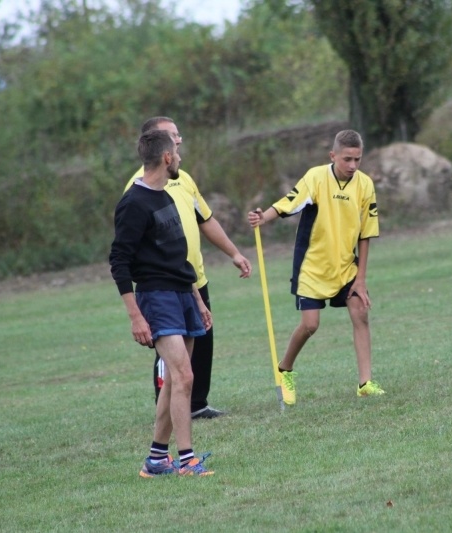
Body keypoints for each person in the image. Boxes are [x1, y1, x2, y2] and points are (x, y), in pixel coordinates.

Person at [125, 116, 252, 420]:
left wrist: (233, 253)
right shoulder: (138, 189)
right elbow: (125, 253)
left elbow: (205, 219)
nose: (179, 141)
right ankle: (166, 408)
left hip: (193, 278)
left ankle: (197, 404)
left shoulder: (183, 177)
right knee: (169, 350)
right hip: (162, 284)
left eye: (179, 135)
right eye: (173, 136)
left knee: (202, 340)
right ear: (158, 146)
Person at [247, 129, 384, 405]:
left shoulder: (365, 185)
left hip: (346, 267)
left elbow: (366, 234)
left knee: (360, 312)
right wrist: (265, 218)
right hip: (312, 268)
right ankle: (285, 368)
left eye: (357, 159)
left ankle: (365, 383)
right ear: (333, 156)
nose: (353, 166)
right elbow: (288, 204)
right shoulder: (315, 178)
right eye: (347, 159)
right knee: (310, 325)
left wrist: (361, 279)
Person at [110, 129, 214, 477]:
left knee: (174, 380)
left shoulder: (166, 196)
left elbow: (178, 256)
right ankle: (187, 461)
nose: (181, 158)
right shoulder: (134, 203)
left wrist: (197, 299)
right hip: (156, 298)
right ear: (166, 158)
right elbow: (119, 262)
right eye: (177, 153)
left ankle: (156, 460)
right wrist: (136, 316)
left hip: (183, 294)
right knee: (184, 376)